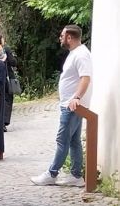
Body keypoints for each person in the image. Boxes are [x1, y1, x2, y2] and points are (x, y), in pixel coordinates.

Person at [31, 24, 92, 187]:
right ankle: (76, 175)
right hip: (71, 105)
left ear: (69, 37)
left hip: (72, 105)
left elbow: (85, 78)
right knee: (73, 141)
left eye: (62, 35)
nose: (60, 38)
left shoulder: (81, 54)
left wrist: (76, 97)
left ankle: (52, 174)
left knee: (62, 139)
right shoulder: (76, 53)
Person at [0, 32, 17, 131]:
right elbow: (13, 62)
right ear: (0, 40)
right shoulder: (5, 49)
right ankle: (4, 122)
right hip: (6, 77)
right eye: (2, 38)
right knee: (7, 98)